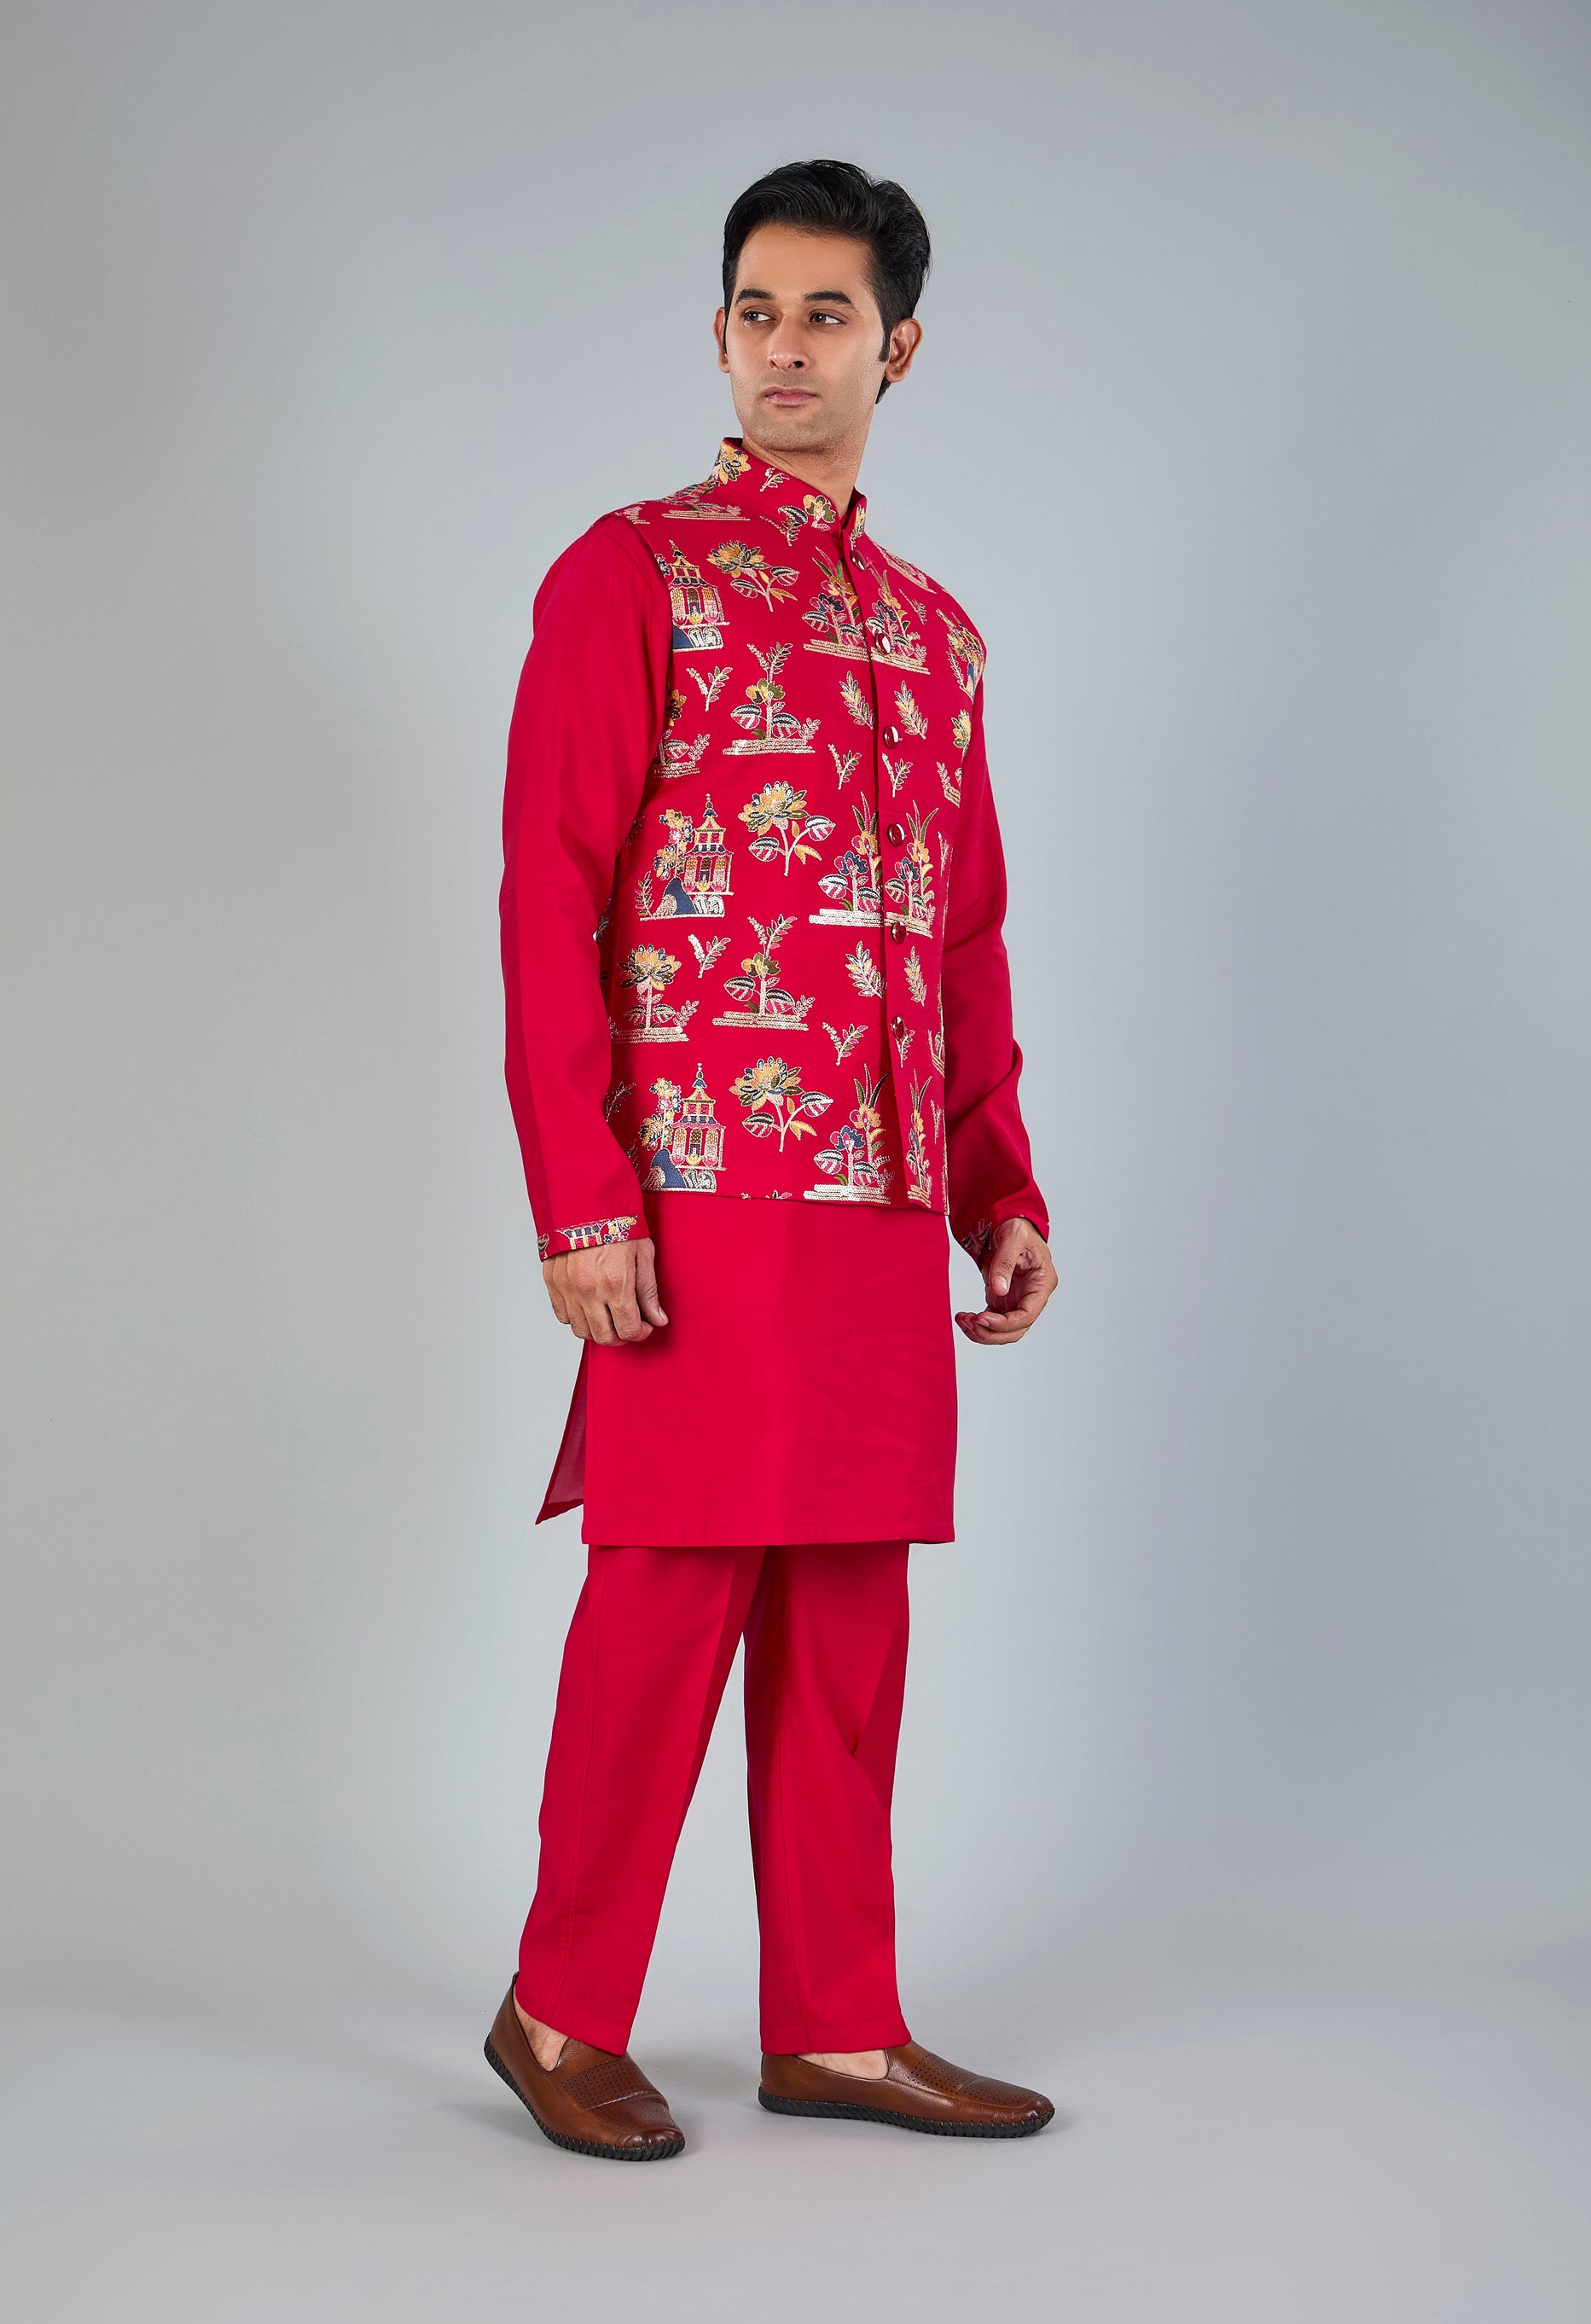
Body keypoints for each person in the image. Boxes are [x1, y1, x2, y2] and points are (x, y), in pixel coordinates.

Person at [488, 159, 1059, 2159]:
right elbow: (548, 894)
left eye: (827, 314)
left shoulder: (935, 636)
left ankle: (838, 2024)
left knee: (848, 1620)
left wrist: (997, 1187)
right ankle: (559, 2013)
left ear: (899, 348)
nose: (787, 346)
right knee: (663, 1601)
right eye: (757, 309)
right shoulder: (630, 572)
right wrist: (581, 1197)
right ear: (719, 335)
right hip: (698, 1185)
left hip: (882, 1203)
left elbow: (961, 939)